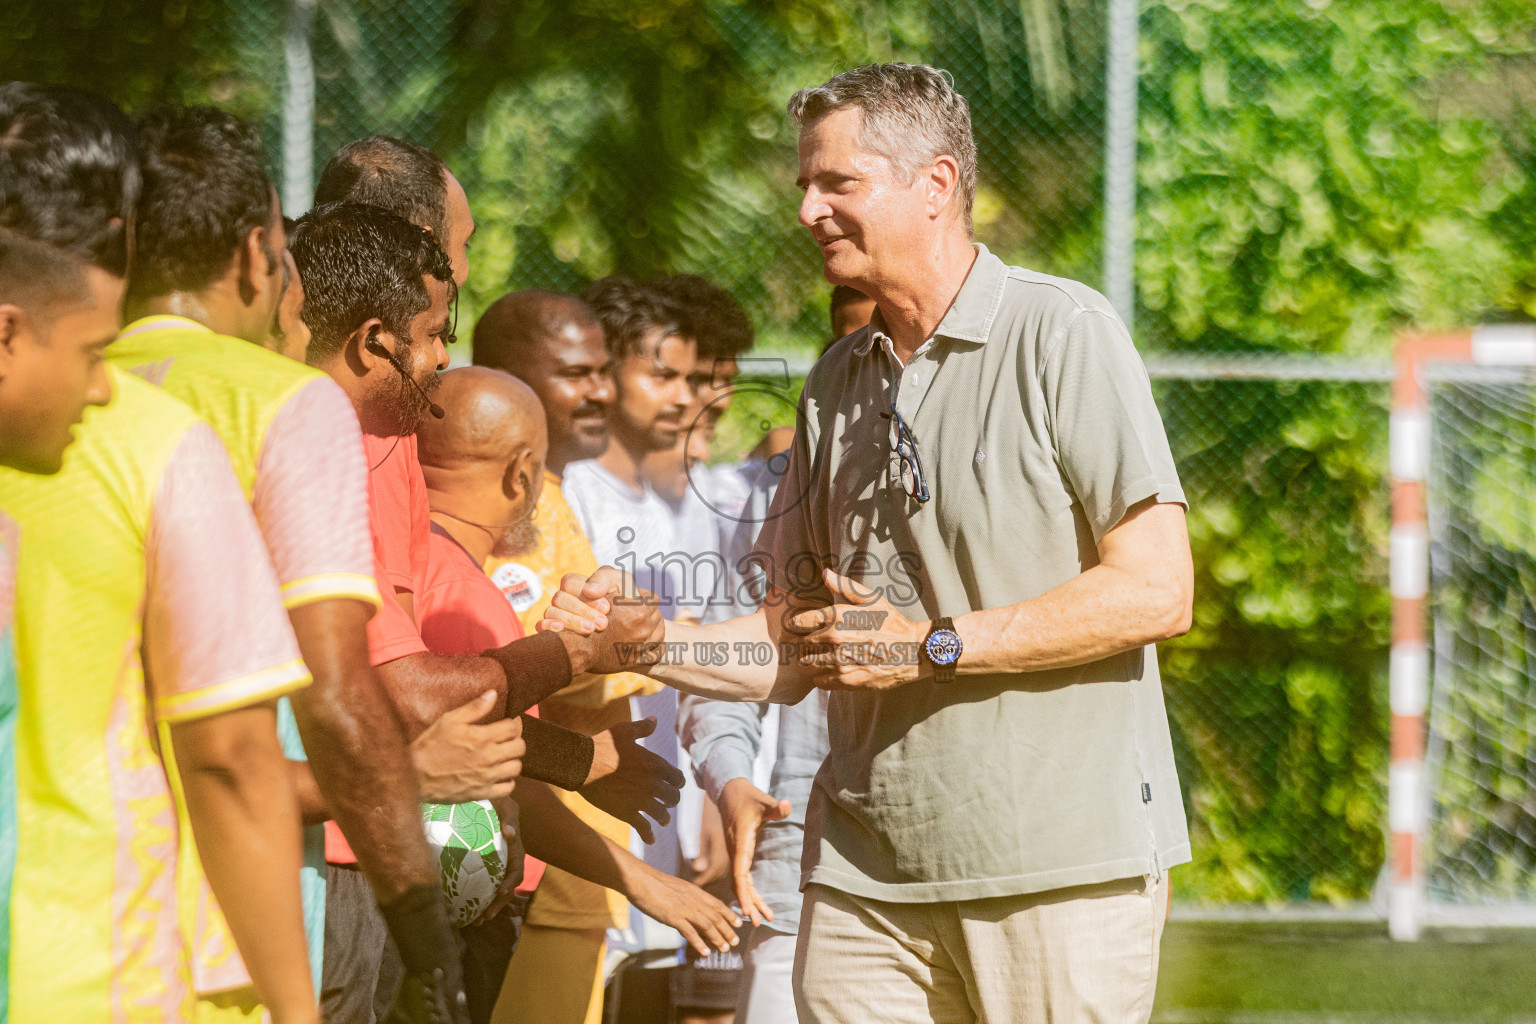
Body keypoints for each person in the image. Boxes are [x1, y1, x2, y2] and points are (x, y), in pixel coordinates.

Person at [547, 62, 1195, 1024]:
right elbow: (791, 641)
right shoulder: (834, 385)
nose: (807, 208)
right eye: (805, 184)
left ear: (935, 186)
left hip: (1057, 867)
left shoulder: (1065, 333)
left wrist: (933, 644)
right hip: (861, 880)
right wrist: (641, 647)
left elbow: (1155, 591)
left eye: (836, 184)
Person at [289, 202, 680, 1023]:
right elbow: (421, 698)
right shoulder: (330, 449)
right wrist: (585, 658)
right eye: (435, 332)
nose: (440, 361)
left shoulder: (373, 457)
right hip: (342, 862)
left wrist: (582, 748)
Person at [112, 104, 461, 1022]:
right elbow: (331, 701)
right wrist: (421, 929)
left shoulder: (66, 396)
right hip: (230, 918)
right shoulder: (286, 405)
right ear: (256, 255)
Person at [0, 83, 315, 1023]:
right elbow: (231, 760)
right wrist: (299, 1010)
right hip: (97, 980)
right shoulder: (158, 443)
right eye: (97, 350)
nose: (103, 385)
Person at [413, 367, 742, 1023]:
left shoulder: (427, 568)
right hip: (446, 911)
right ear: (524, 474)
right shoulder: (457, 590)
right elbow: (474, 758)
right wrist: (648, 882)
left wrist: (578, 758)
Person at [675, 285, 874, 1024]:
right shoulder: (776, 493)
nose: (877, 360)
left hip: (968, 877)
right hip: (802, 866)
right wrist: (729, 781)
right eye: (855, 344)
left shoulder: (1000, 462)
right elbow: (732, 666)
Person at [472, 290, 665, 1024]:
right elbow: (498, 677)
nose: (603, 392)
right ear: (512, 380)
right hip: (526, 860)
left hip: (578, 868)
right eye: (577, 374)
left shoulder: (553, 497)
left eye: (605, 371)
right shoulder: (496, 507)